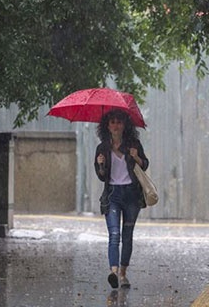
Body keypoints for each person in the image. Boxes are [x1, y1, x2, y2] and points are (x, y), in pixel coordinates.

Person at [94, 109, 149, 289]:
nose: (116, 125)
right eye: (112, 122)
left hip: (132, 195)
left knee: (127, 236)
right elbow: (102, 176)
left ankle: (123, 273)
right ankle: (114, 272)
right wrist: (101, 164)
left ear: (125, 125)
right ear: (107, 126)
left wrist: (136, 157)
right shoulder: (102, 148)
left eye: (119, 122)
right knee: (114, 234)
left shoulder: (133, 144)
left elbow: (145, 165)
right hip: (112, 195)